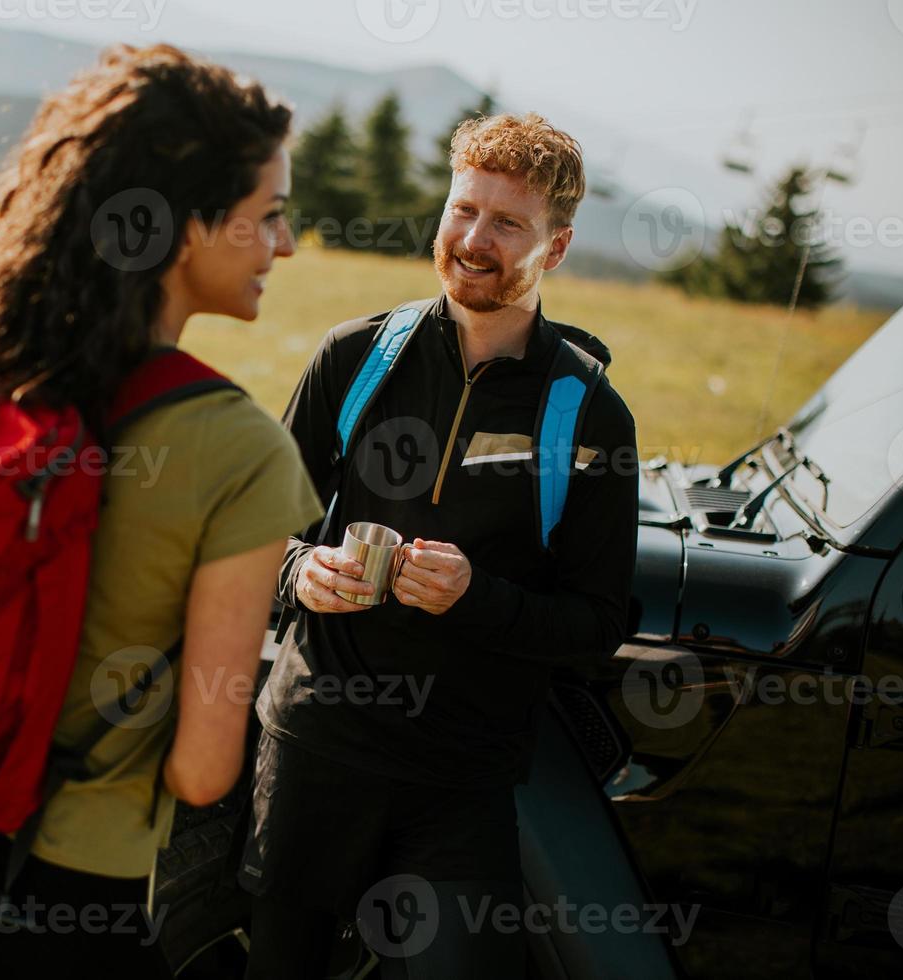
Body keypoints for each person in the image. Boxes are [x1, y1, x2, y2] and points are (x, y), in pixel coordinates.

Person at [0, 45, 321, 978]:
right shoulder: (238, 452)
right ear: (188, 228)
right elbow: (202, 772)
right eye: (269, 215)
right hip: (62, 898)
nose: (285, 244)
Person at [241, 112, 640, 979]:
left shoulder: (588, 414)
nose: (473, 239)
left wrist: (478, 598)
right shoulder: (352, 358)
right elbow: (260, 536)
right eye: (463, 210)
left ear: (557, 247)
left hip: (460, 786)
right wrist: (304, 572)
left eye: (508, 224)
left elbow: (598, 620)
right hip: (315, 751)